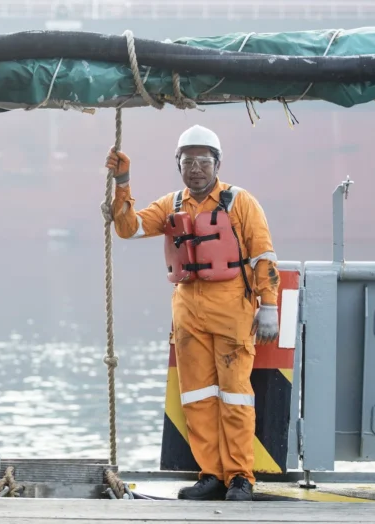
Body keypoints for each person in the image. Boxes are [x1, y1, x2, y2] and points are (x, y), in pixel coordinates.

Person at [105, 124, 279, 502]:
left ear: (218, 164)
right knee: (197, 398)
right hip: (188, 314)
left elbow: (263, 254)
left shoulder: (240, 202)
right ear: (178, 165)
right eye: (188, 162)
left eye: (203, 161)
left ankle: (240, 477)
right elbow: (128, 228)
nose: (196, 169)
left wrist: (269, 306)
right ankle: (211, 474)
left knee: (235, 396)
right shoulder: (172, 205)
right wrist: (122, 182)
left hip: (232, 311)